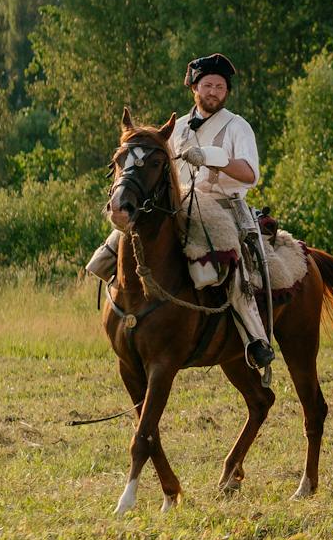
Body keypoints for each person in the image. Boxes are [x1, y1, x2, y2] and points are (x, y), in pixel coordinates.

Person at [85, 53, 274, 371]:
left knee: (232, 259)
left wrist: (214, 158)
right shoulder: (178, 127)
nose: (213, 92)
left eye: (220, 87)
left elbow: (250, 174)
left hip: (223, 205)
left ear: (226, 92)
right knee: (120, 242)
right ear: (194, 89)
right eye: (207, 85)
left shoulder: (237, 126)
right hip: (177, 203)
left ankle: (255, 338)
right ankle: (124, 307)